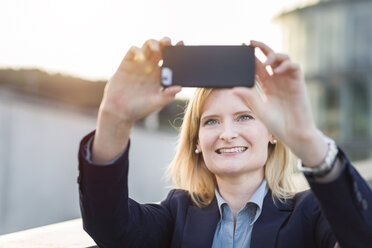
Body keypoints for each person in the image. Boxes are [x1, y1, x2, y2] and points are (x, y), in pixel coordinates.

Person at [78, 37, 372, 248]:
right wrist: (114, 118)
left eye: (244, 117)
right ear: (196, 142)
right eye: (211, 121)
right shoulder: (176, 213)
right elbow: (109, 227)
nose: (227, 133)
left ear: (273, 133)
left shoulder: (310, 214)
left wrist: (306, 139)